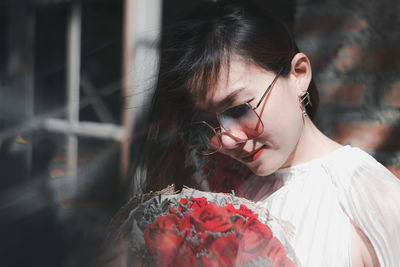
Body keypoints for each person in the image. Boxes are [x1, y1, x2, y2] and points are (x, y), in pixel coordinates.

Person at [132, 0, 400, 266]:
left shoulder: (371, 199)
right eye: (207, 125)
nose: (226, 138)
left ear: (299, 74)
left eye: (237, 110)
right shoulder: (215, 196)